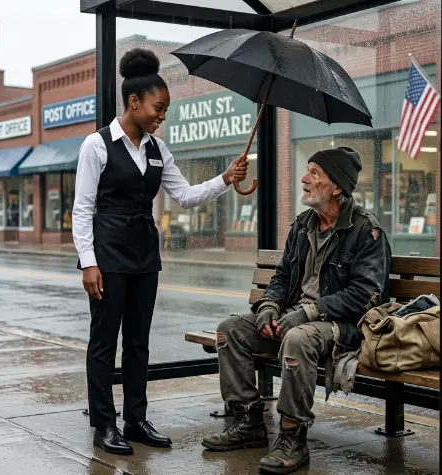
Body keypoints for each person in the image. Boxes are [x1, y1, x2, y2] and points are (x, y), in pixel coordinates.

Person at [72, 48, 250, 456]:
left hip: (144, 256)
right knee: (104, 342)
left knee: (138, 342)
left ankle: (136, 419)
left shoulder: (158, 149)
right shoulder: (96, 146)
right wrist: (89, 262)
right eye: (158, 107)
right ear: (133, 102)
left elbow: (184, 196)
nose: (161, 116)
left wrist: (225, 178)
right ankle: (104, 424)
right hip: (108, 255)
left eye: (165, 110)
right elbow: (82, 210)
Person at [201, 147, 391, 474]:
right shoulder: (304, 224)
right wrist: (269, 308)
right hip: (294, 320)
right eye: (307, 170)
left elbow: (366, 294)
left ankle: (293, 438)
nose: (304, 178)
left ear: (336, 187)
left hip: (342, 328)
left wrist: (308, 313)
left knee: (298, 339)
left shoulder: (366, 230)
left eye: (315, 173)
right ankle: (248, 423)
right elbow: (282, 277)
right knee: (229, 329)